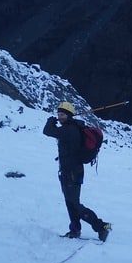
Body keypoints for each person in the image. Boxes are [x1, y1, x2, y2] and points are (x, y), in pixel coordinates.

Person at [44, 101, 111, 242]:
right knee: (70, 202)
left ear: (69, 115)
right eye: (58, 114)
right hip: (71, 171)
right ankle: (75, 229)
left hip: (71, 173)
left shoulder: (69, 130)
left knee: (74, 204)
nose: (59, 117)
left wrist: (50, 121)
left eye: (62, 114)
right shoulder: (73, 127)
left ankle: (102, 226)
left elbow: (48, 131)